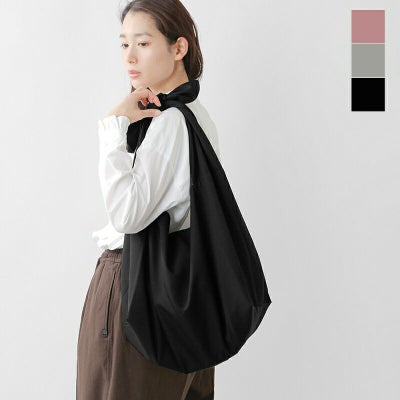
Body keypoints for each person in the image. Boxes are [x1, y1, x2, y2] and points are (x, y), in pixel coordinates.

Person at [76, 1, 221, 399]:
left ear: (179, 48)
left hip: (137, 286)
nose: (130, 57)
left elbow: (127, 215)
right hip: (185, 293)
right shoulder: (198, 116)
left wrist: (113, 127)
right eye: (124, 44)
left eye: (142, 43)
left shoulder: (170, 122)